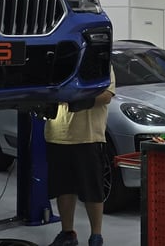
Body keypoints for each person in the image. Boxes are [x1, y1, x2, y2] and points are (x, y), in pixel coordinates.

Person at [45, 67, 116, 246]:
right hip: (57, 135)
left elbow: (107, 95)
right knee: (63, 189)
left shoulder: (100, 64)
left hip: (88, 136)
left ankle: (96, 236)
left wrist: (80, 101)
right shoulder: (57, 63)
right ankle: (67, 233)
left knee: (92, 189)